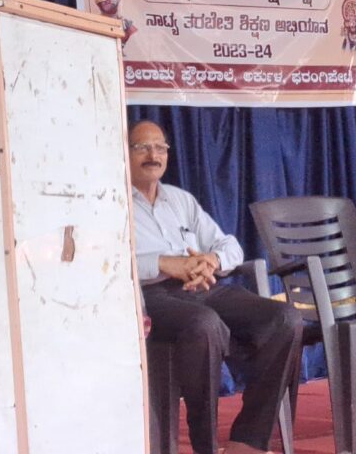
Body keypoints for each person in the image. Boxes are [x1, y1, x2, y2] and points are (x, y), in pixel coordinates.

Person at [129, 120, 301, 454]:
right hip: (150, 296)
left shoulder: (181, 200)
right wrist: (164, 263)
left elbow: (231, 246)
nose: (153, 155)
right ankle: (205, 446)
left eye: (160, 147)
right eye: (143, 147)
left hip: (202, 287)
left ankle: (248, 440)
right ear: (125, 153)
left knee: (285, 319)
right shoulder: (114, 202)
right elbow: (107, 261)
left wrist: (211, 260)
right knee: (204, 325)